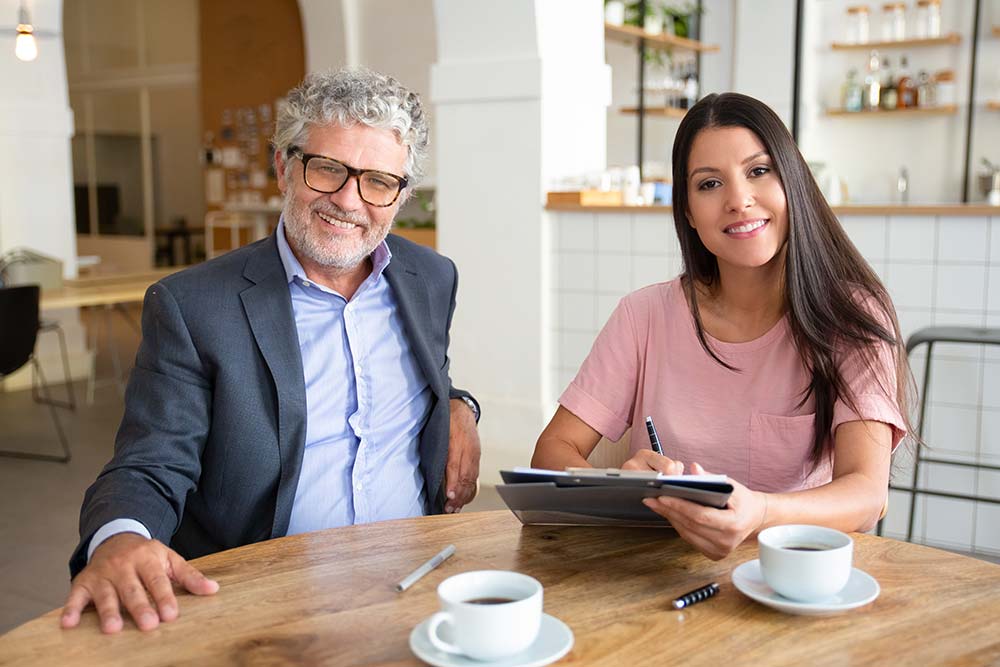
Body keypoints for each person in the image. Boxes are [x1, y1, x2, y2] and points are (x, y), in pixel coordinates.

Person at [61, 68, 482, 634]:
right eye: (328, 168)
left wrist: (461, 406)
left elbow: (427, 380)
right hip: (268, 600)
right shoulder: (193, 306)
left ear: (401, 195)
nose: (349, 201)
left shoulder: (430, 277)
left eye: (379, 181)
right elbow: (151, 463)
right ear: (284, 166)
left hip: (416, 583)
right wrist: (121, 539)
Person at [531, 92, 911, 561]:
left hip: (794, 576)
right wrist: (625, 487)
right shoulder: (642, 316)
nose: (738, 200)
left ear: (793, 181)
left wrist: (760, 512)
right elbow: (552, 451)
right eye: (709, 184)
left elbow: (868, 494)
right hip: (660, 580)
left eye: (758, 171)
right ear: (688, 212)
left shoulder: (854, 318)